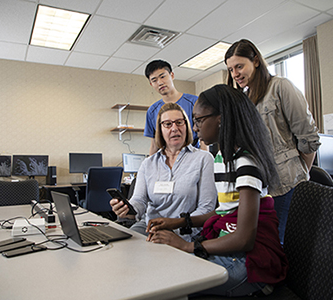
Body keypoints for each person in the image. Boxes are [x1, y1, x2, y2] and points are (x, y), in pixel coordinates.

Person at [146, 85, 288, 297]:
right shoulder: (222, 158)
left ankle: (258, 286)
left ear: (221, 118)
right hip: (231, 250)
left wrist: (187, 246)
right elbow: (226, 211)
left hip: (248, 261)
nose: (195, 128)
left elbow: (244, 239)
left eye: (199, 120)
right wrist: (178, 222)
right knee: (163, 270)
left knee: (170, 283)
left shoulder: (246, 162)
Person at [224, 39, 320, 243]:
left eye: (239, 66)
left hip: (286, 183)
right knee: (266, 244)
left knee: (280, 243)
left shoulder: (280, 87)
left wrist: (301, 173)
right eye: (231, 69)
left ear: (256, 61)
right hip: (261, 185)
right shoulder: (246, 99)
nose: (235, 74)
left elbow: (309, 139)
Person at [110, 102, 217, 241]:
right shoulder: (148, 164)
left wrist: (177, 228)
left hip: (186, 230)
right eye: (167, 124)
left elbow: (207, 208)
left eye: (179, 122)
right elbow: (139, 200)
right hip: (149, 227)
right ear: (160, 130)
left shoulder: (203, 159)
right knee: (123, 249)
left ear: (187, 126)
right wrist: (128, 209)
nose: (174, 128)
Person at [144, 59, 206, 155]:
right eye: (154, 80)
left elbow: (203, 138)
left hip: (192, 156)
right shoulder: (152, 111)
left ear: (172, 75)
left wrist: (204, 161)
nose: (160, 83)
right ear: (151, 84)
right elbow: (154, 145)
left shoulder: (194, 102)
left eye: (162, 77)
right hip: (167, 159)